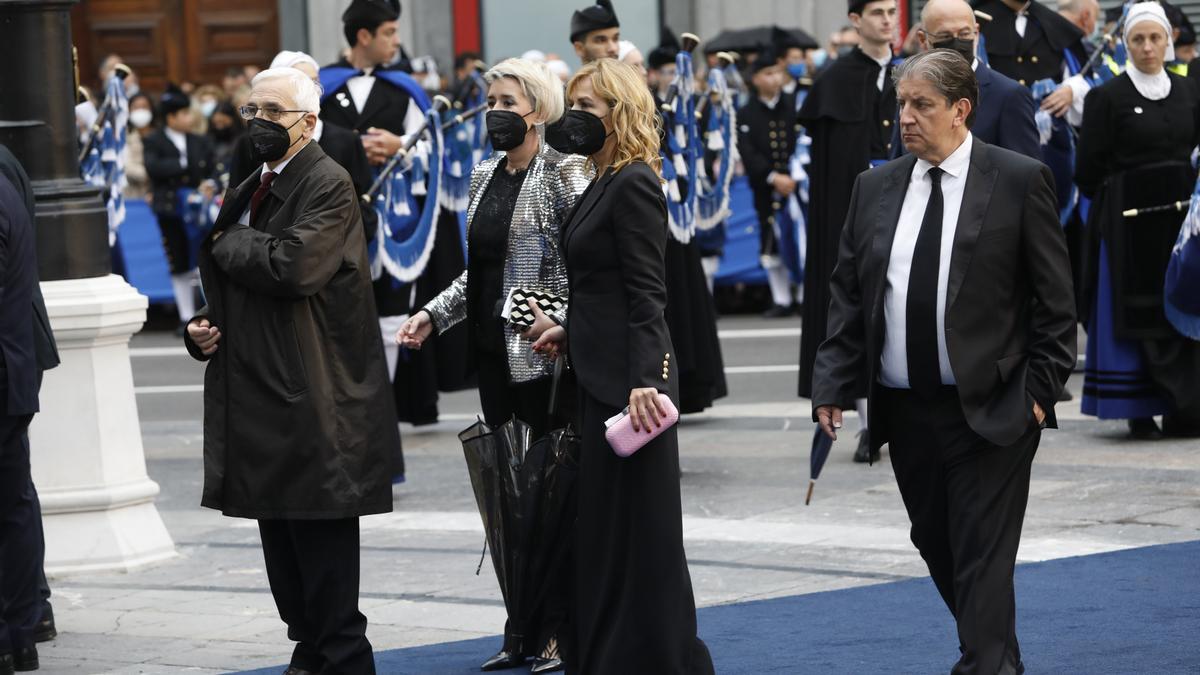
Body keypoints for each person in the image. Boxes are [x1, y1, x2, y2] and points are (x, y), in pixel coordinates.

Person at [813, 49, 1076, 674]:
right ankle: (998, 658)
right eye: (901, 104)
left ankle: (982, 666)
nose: (905, 117)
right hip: (904, 409)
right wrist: (832, 384)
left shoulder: (1016, 179)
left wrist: (1037, 396)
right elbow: (849, 296)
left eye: (921, 106)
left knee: (983, 551)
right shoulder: (874, 186)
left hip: (993, 408)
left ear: (961, 110)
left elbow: (1057, 305)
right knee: (938, 543)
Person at [182, 67, 399, 674]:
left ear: (307, 123)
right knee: (278, 530)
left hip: (313, 389)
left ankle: (342, 654)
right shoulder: (255, 180)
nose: (256, 123)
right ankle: (309, 644)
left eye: (271, 112)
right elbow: (239, 273)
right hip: (263, 382)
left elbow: (294, 268)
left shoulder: (327, 182)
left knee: (319, 528)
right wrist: (202, 325)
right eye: (250, 111)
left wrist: (230, 241)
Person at [397, 58, 590, 675]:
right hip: (491, 358)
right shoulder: (482, 175)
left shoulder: (566, 172)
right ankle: (520, 629)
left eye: (508, 101)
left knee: (549, 497)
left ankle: (558, 629)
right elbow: (478, 275)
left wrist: (554, 319)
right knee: (507, 500)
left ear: (539, 109)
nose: (495, 112)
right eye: (490, 101)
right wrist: (432, 314)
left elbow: (585, 266)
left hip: (543, 356)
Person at [534, 58, 714, 675]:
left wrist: (648, 379)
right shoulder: (601, 178)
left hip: (628, 394)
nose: (576, 117)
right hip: (598, 378)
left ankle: (658, 659)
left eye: (588, 107)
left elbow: (647, 292)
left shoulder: (634, 180)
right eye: (573, 105)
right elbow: (600, 289)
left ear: (621, 112)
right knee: (607, 535)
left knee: (642, 537)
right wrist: (571, 329)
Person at [321, 0, 471, 426]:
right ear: (364, 35)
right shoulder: (324, 86)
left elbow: (435, 148)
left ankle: (379, 413)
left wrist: (399, 145)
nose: (397, 41)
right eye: (389, 32)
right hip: (336, 219)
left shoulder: (404, 87)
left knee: (392, 315)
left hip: (396, 225)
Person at [1075, 2, 1200, 440]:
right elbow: (1087, 171)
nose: (1147, 47)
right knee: (1135, 315)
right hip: (1129, 222)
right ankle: (1139, 407)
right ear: (1125, 44)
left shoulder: (1189, 93)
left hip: (1182, 223)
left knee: (1185, 305)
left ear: (1168, 41)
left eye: (1155, 38)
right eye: (1138, 39)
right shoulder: (1106, 97)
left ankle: (1186, 408)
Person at [798, 0, 899, 464]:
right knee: (854, 309)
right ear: (855, 20)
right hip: (854, 211)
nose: (886, 19)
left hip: (905, 202)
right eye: (875, 11)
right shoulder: (834, 79)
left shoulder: (911, 73)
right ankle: (866, 420)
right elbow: (829, 167)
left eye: (891, 11)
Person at [0, 143, 61, 674]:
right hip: (13, 363)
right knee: (14, 501)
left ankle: (16, 628)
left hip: (7, 365)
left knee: (11, 504)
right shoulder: (6, 167)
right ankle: (21, 626)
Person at [905, 0, 1040, 159]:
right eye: (945, 36)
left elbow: (1025, 174)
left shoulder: (1009, 95)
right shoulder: (910, 91)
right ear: (923, 39)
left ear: (976, 33)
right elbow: (899, 166)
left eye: (964, 34)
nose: (956, 42)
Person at [143, 85, 216, 333]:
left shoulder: (200, 141)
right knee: (178, 260)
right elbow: (154, 168)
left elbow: (210, 169)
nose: (189, 118)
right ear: (171, 117)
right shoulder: (154, 140)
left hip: (197, 208)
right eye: (184, 113)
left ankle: (209, 311)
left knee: (202, 258)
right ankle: (185, 315)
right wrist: (183, 165)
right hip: (170, 207)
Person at [738, 48, 804, 317]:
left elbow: (802, 142)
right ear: (755, 79)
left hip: (797, 185)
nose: (774, 78)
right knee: (771, 239)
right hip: (766, 187)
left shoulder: (793, 105)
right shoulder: (746, 112)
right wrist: (773, 177)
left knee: (800, 237)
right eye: (767, 73)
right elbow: (747, 149)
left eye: (777, 72)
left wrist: (795, 176)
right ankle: (781, 298)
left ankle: (802, 296)